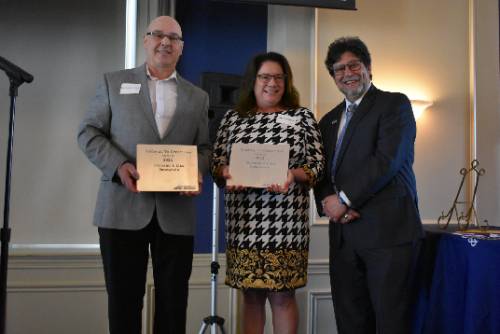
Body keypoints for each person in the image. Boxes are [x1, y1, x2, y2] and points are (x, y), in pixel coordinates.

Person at [77, 16, 210, 334]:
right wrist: (119, 166)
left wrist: (196, 172)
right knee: (123, 303)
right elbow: (88, 132)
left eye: (173, 38)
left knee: (174, 304)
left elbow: (205, 148)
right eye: (158, 35)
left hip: (176, 212)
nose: (165, 42)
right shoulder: (113, 82)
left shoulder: (198, 96)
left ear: (181, 48)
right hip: (121, 208)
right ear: (146, 40)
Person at [314, 37, 424, 334]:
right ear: (333, 77)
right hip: (344, 237)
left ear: (368, 67)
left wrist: (345, 199)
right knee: (351, 323)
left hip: (388, 236)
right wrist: (329, 201)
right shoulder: (328, 121)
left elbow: (386, 161)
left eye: (354, 65)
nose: (347, 73)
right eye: (339, 69)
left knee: (391, 323)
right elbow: (320, 171)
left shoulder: (394, 104)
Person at [211, 52, 324, 334]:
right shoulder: (233, 119)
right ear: (253, 81)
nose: (272, 83)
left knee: (283, 296)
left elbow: (318, 165)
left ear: (286, 82)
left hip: (287, 226)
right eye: (265, 76)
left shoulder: (302, 118)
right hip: (245, 224)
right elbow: (216, 163)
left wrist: (293, 175)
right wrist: (226, 172)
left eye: (278, 77)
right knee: (251, 297)